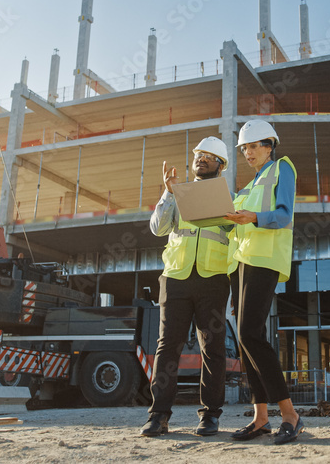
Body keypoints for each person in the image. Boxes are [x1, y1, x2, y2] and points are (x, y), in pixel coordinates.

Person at [140, 136, 235, 437]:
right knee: (168, 347)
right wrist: (168, 194)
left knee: (213, 349)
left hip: (214, 279)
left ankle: (210, 416)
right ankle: (158, 416)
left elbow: (235, 231)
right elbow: (157, 228)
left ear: (220, 165)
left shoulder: (228, 198)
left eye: (209, 156)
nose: (201, 159)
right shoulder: (176, 195)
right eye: (198, 155)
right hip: (176, 278)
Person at [224, 119, 303, 445]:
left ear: (270, 145)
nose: (248, 153)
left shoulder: (282, 168)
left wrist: (253, 217)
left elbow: (283, 215)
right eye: (244, 148)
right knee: (245, 340)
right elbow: (239, 227)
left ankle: (290, 415)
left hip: (264, 260)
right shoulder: (248, 186)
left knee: (249, 334)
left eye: (254, 146)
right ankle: (261, 418)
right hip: (241, 264)